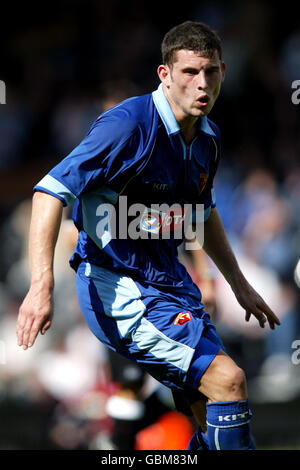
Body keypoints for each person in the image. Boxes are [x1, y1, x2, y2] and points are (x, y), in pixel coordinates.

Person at [16, 21, 280, 451]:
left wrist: (238, 284)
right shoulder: (127, 125)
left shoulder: (208, 139)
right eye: (190, 72)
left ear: (224, 73)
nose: (202, 84)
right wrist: (41, 287)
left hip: (171, 285)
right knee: (228, 380)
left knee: (212, 411)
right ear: (165, 74)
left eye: (211, 72)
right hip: (119, 288)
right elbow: (49, 192)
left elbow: (202, 213)